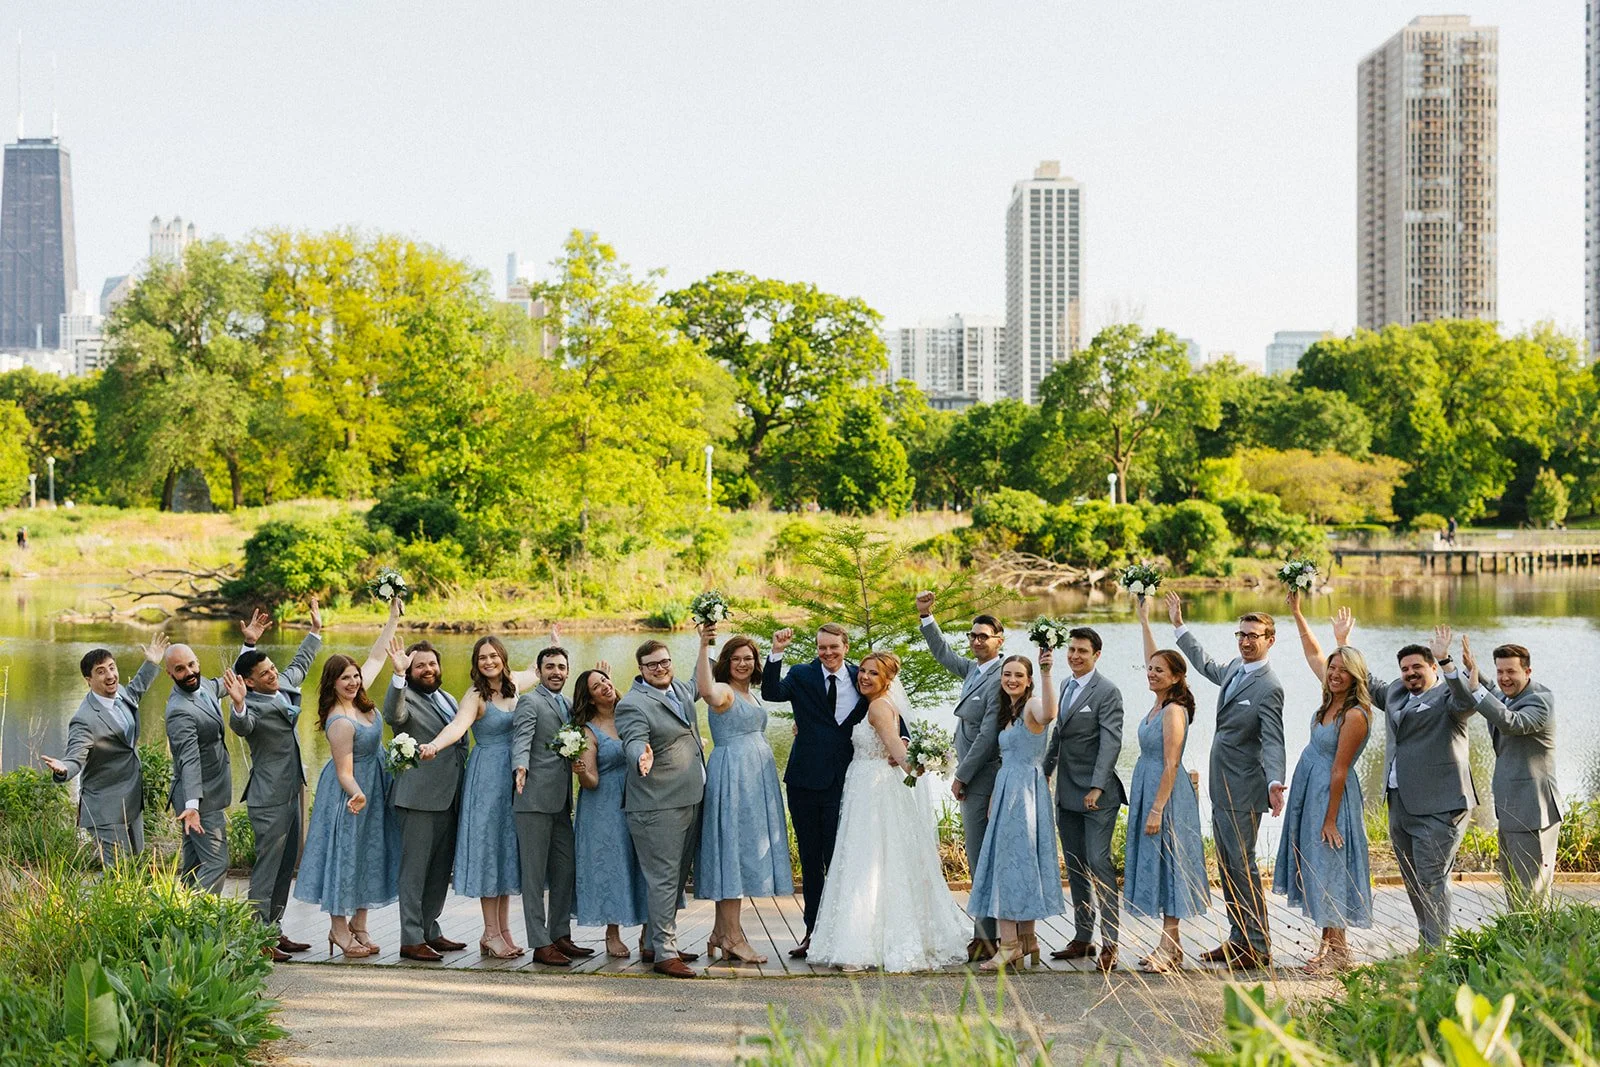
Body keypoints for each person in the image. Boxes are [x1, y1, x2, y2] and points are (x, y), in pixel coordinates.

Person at [809, 651, 970, 971]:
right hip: (871, 788)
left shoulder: (880, 708)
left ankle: (862, 944)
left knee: (869, 862)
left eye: (873, 673)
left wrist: (923, 763)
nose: (864, 677)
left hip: (874, 791)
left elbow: (900, 755)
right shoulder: (880, 705)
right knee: (882, 860)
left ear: (887, 680)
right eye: (863, 671)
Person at [1333, 611, 1474, 949]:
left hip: (1441, 808)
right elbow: (1368, 680)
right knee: (1413, 880)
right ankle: (1426, 946)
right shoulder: (1396, 693)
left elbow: (1468, 700)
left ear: (1433, 669)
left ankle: (1438, 953)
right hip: (1401, 805)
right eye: (1405, 669)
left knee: (1432, 879)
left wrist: (1449, 661)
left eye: (1418, 668)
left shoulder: (1449, 699)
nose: (1410, 673)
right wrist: (1344, 643)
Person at [1165, 591, 1286, 969]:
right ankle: (1238, 938)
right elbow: (1204, 664)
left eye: (1255, 635)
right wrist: (1179, 626)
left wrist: (1275, 782)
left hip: (1246, 790)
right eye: (1242, 635)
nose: (1247, 641)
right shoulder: (1235, 668)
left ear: (1270, 640)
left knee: (1242, 865)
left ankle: (1258, 946)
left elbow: (1273, 740)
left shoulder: (1270, 687)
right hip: (1221, 786)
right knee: (1228, 865)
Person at [1277, 594, 1373, 974]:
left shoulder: (1354, 714)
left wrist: (1330, 819)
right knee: (1317, 866)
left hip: (1331, 798)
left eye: (1341, 670)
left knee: (1331, 867)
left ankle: (1339, 953)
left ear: (1355, 676)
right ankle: (1327, 947)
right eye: (1332, 668)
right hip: (1311, 792)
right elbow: (1313, 654)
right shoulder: (1331, 697)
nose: (1333, 673)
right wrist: (1298, 613)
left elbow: (1340, 770)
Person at [761, 623, 867, 961]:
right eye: (822, 648)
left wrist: (904, 743)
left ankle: (842, 932)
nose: (828, 654)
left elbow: (886, 707)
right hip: (804, 782)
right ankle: (812, 931)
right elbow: (771, 692)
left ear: (846, 646)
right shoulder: (802, 674)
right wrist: (776, 651)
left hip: (846, 782)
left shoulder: (861, 677)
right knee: (810, 859)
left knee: (839, 858)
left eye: (834, 647)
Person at [417, 637, 525, 960]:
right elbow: (457, 726)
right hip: (488, 779)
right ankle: (491, 932)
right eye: (482, 658)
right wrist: (435, 745)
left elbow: (535, 672)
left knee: (505, 851)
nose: (488, 662)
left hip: (511, 778)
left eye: (493, 656)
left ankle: (503, 931)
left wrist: (554, 645)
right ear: (476, 663)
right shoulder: (475, 695)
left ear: (503, 659)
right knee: (489, 852)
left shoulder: (513, 686)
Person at [231, 597, 324, 961]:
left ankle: (275, 928)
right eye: (265, 674)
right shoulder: (249, 705)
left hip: (292, 791)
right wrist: (237, 704)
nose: (273, 674)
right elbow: (242, 726)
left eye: (272, 669)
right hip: (269, 799)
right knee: (268, 869)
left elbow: (300, 665)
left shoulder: (280, 685)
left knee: (288, 865)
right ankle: (257, 939)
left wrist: (314, 632)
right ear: (248, 683)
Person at [693, 624, 792, 965]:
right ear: (725, 661)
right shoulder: (723, 690)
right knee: (732, 850)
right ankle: (733, 937)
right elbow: (704, 689)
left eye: (748, 658)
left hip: (754, 780)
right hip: (734, 778)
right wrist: (703, 645)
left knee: (738, 850)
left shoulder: (750, 693)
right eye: (736, 658)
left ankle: (721, 933)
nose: (743, 663)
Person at [916, 592, 1005, 961]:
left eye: (983, 636)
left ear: (1000, 640)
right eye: (972, 636)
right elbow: (943, 654)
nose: (976, 641)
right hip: (971, 773)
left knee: (981, 855)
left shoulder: (1002, 675)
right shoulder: (973, 670)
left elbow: (987, 735)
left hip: (984, 775)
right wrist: (927, 617)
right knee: (976, 855)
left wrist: (961, 776)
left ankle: (987, 936)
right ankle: (984, 933)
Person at [294, 654, 402, 958]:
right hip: (350, 794)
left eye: (355, 676)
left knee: (369, 853)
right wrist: (359, 794)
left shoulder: (359, 701)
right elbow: (344, 772)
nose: (353, 682)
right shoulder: (339, 721)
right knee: (346, 856)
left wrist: (392, 615)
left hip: (375, 787)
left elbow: (376, 658)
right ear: (333, 682)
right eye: (345, 678)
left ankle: (360, 924)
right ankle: (338, 929)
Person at [380, 602, 469, 962]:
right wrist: (398, 676)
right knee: (415, 871)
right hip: (418, 798)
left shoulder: (447, 697)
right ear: (410, 670)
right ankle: (410, 937)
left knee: (438, 868)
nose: (428, 669)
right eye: (421, 666)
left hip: (450, 795)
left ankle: (431, 929)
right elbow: (393, 715)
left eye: (432, 664)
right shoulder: (406, 697)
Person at [1445, 636, 1561, 906]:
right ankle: (1517, 944)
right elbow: (1492, 692)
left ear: (1528, 672)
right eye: (1500, 671)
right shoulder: (1511, 696)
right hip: (1511, 811)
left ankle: (1539, 946)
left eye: (1511, 671)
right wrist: (1461, 667)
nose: (1504, 678)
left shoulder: (1539, 702)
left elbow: (1511, 722)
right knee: (1513, 891)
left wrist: (1477, 691)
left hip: (1535, 813)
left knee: (1533, 896)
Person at [1127, 595, 1210, 972]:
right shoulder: (1157, 702)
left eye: (1160, 670)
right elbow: (1153, 656)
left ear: (1177, 677)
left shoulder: (1174, 710)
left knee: (1170, 864)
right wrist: (1145, 620)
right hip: (1149, 788)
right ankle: (1170, 948)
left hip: (1168, 796)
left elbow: (1172, 762)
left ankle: (1168, 947)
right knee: (1158, 864)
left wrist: (1157, 808)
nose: (1151, 673)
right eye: (1149, 669)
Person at [966, 650, 1062, 972]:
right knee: (1018, 862)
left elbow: (1050, 712)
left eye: (1019, 675)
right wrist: (995, 792)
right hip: (1008, 788)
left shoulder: (1033, 705)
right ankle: (1028, 939)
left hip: (1024, 793)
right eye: (1007, 674)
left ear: (1029, 680)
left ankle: (1008, 945)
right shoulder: (1009, 712)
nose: (1011, 679)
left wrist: (1048, 671)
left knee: (1007, 864)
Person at [618, 639, 708, 978]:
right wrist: (640, 755)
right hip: (656, 806)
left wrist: (703, 640)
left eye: (665, 661)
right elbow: (633, 739)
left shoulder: (680, 691)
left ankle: (657, 943)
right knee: (663, 881)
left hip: (689, 798)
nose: (660, 668)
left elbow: (701, 681)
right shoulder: (633, 704)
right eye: (652, 664)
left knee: (674, 878)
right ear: (640, 669)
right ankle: (665, 954)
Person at [41, 634, 170, 864]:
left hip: (131, 800)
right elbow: (75, 759)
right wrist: (63, 769)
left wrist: (151, 663)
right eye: (101, 671)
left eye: (112, 667)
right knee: (117, 872)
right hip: (105, 806)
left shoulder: (119, 693)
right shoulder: (85, 719)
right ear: (88, 680)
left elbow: (135, 691)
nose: (110, 675)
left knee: (135, 867)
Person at [1042, 626, 1125, 972]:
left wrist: (1097, 787)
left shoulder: (1107, 692)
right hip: (1067, 791)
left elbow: (1111, 743)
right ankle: (1082, 937)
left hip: (1097, 794)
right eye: (1072, 650)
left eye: (1082, 651)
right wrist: (1044, 771)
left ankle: (1110, 943)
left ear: (1096, 655)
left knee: (1098, 862)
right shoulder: (1064, 686)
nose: (1075, 656)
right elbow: (1058, 735)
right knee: (1075, 865)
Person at [509, 646, 592, 967]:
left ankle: (560, 934)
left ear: (568, 671)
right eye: (550, 667)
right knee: (533, 876)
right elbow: (522, 738)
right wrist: (520, 767)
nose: (556, 671)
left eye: (561, 667)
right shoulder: (531, 701)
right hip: (532, 799)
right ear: (540, 671)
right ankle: (540, 942)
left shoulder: (569, 704)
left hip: (561, 801)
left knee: (565, 868)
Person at [571, 665, 651, 959]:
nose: (604, 686)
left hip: (640, 797)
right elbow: (591, 781)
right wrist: (580, 771)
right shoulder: (587, 730)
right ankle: (612, 933)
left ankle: (649, 934)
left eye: (605, 680)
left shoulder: (630, 712)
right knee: (612, 864)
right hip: (603, 806)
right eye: (596, 686)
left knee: (644, 862)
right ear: (590, 699)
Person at [163, 642, 251, 892]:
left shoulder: (205, 688)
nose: (189, 672)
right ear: (170, 674)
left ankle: (181, 918)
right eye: (180, 669)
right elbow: (188, 760)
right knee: (216, 862)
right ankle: (203, 923)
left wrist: (248, 644)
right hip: (200, 798)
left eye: (191, 665)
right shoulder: (179, 711)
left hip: (207, 793)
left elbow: (230, 680)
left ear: (198, 663)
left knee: (193, 866)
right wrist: (193, 807)